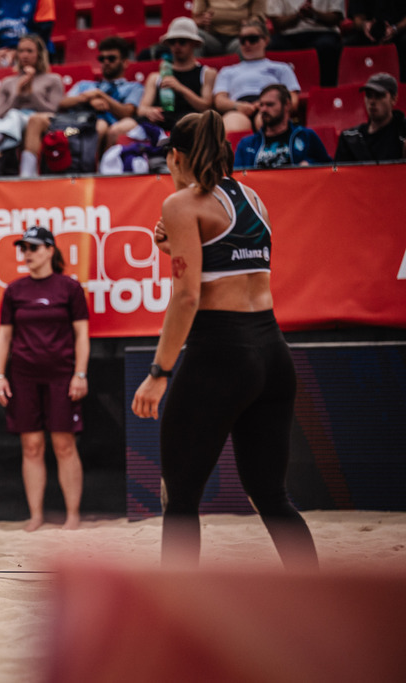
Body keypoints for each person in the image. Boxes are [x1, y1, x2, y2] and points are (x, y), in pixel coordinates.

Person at [131, 110, 319, 570]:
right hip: (272, 352)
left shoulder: (182, 203)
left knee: (178, 498)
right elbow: (226, 263)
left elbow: (189, 295)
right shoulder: (253, 197)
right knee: (271, 495)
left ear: (177, 156)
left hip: (220, 353)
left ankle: (177, 614)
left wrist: (159, 372)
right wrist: (173, 245)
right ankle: (317, 598)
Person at [0, 226, 89, 531]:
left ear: (50, 250)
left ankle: (72, 516)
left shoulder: (69, 289)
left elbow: (82, 335)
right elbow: (4, 338)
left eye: (33, 248)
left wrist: (80, 374)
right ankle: (36, 515)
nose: (27, 254)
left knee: (64, 444)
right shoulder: (14, 291)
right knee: (31, 445)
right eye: (24, 248)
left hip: (62, 375)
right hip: (23, 376)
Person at [18, 36, 143, 176]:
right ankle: (27, 175)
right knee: (36, 119)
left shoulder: (133, 88)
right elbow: (62, 103)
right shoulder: (85, 85)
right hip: (71, 127)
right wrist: (87, 99)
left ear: (125, 62)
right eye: (102, 59)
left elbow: (127, 112)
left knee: (99, 127)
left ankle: (96, 173)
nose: (106, 62)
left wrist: (101, 96)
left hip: (95, 128)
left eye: (112, 58)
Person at [0, 34, 61, 157]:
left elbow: (53, 111)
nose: (25, 55)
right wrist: (17, 92)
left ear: (40, 54)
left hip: (38, 121)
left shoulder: (53, 80)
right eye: (21, 51)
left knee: (15, 115)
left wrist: (31, 91)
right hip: (9, 121)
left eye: (29, 51)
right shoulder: (8, 82)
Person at [213, 19, 301, 133]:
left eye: (252, 39)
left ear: (266, 40)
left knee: (268, 121)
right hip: (239, 109)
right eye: (243, 40)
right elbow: (219, 100)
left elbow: (293, 100)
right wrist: (237, 106)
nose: (247, 44)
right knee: (232, 127)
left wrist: (265, 105)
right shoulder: (228, 71)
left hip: (270, 105)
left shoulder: (282, 68)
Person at [134, 18, 218, 134]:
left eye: (182, 41)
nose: (177, 46)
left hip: (191, 126)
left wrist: (180, 88)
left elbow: (206, 107)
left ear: (194, 44)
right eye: (173, 42)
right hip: (160, 123)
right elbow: (141, 109)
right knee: (122, 128)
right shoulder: (155, 77)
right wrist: (149, 111)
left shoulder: (207, 73)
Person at [233, 84, 331, 167]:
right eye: (261, 105)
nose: (263, 110)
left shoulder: (306, 136)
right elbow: (237, 178)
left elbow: (329, 167)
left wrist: (309, 164)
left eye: (269, 105)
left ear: (287, 105)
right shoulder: (247, 144)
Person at [0, 0, 55, 75]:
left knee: (23, 60)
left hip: (31, 54)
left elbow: (43, 32)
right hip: (1, 54)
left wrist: (18, 51)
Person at [266, 0, 344, 87]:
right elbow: (277, 23)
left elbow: (336, 18)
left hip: (323, 32)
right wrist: (298, 16)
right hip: (289, 34)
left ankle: (327, 90)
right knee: (272, 45)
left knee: (327, 46)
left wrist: (314, 14)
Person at [334, 72, 406, 162]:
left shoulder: (402, 132)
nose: (372, 101)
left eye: (379, 96)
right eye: (368, 95)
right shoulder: (350, 138)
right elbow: (340, 174)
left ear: (394, 99)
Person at [344, 1, 406, 86]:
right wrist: (365, 25)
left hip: (399, 32)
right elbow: (357, 18)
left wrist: (396, 29)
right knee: (346, 45)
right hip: (367, 34)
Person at [192, 0, 267, 56]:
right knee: (196, 35)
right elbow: (197, 17)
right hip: (213, 37)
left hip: (239, 37)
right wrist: (202, 20)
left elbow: (258, 17)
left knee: (246, 41)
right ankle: (195, 72)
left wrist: (248, 25)